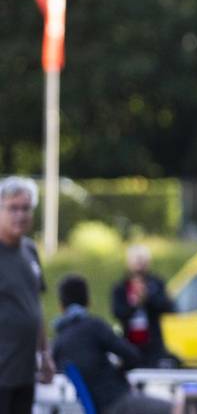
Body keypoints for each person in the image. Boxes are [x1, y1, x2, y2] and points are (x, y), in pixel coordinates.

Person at [51, 274, 172, 414]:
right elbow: (132, 355)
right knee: (178, 408)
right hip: (117, 400)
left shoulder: (59, 343)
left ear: (61, 306)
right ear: (88, 302)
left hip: (96, 407)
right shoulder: (94, 326)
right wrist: (119, 372)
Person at [0, 177, 54, 414]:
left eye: (26, 208)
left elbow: (35, 304)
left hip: (25, 370)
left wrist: (45, 353)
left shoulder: (29, 249)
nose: (20, 215)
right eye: (13, 208)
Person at [111, 243, 177, 367]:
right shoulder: (121, 287)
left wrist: (147, 298)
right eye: (136, 260)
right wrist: (134, 304)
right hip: (130, 344)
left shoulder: (156, 283)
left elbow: (167, 307)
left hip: (153, 345)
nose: (139, 265)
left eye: (142, 260)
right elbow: (118, 312)